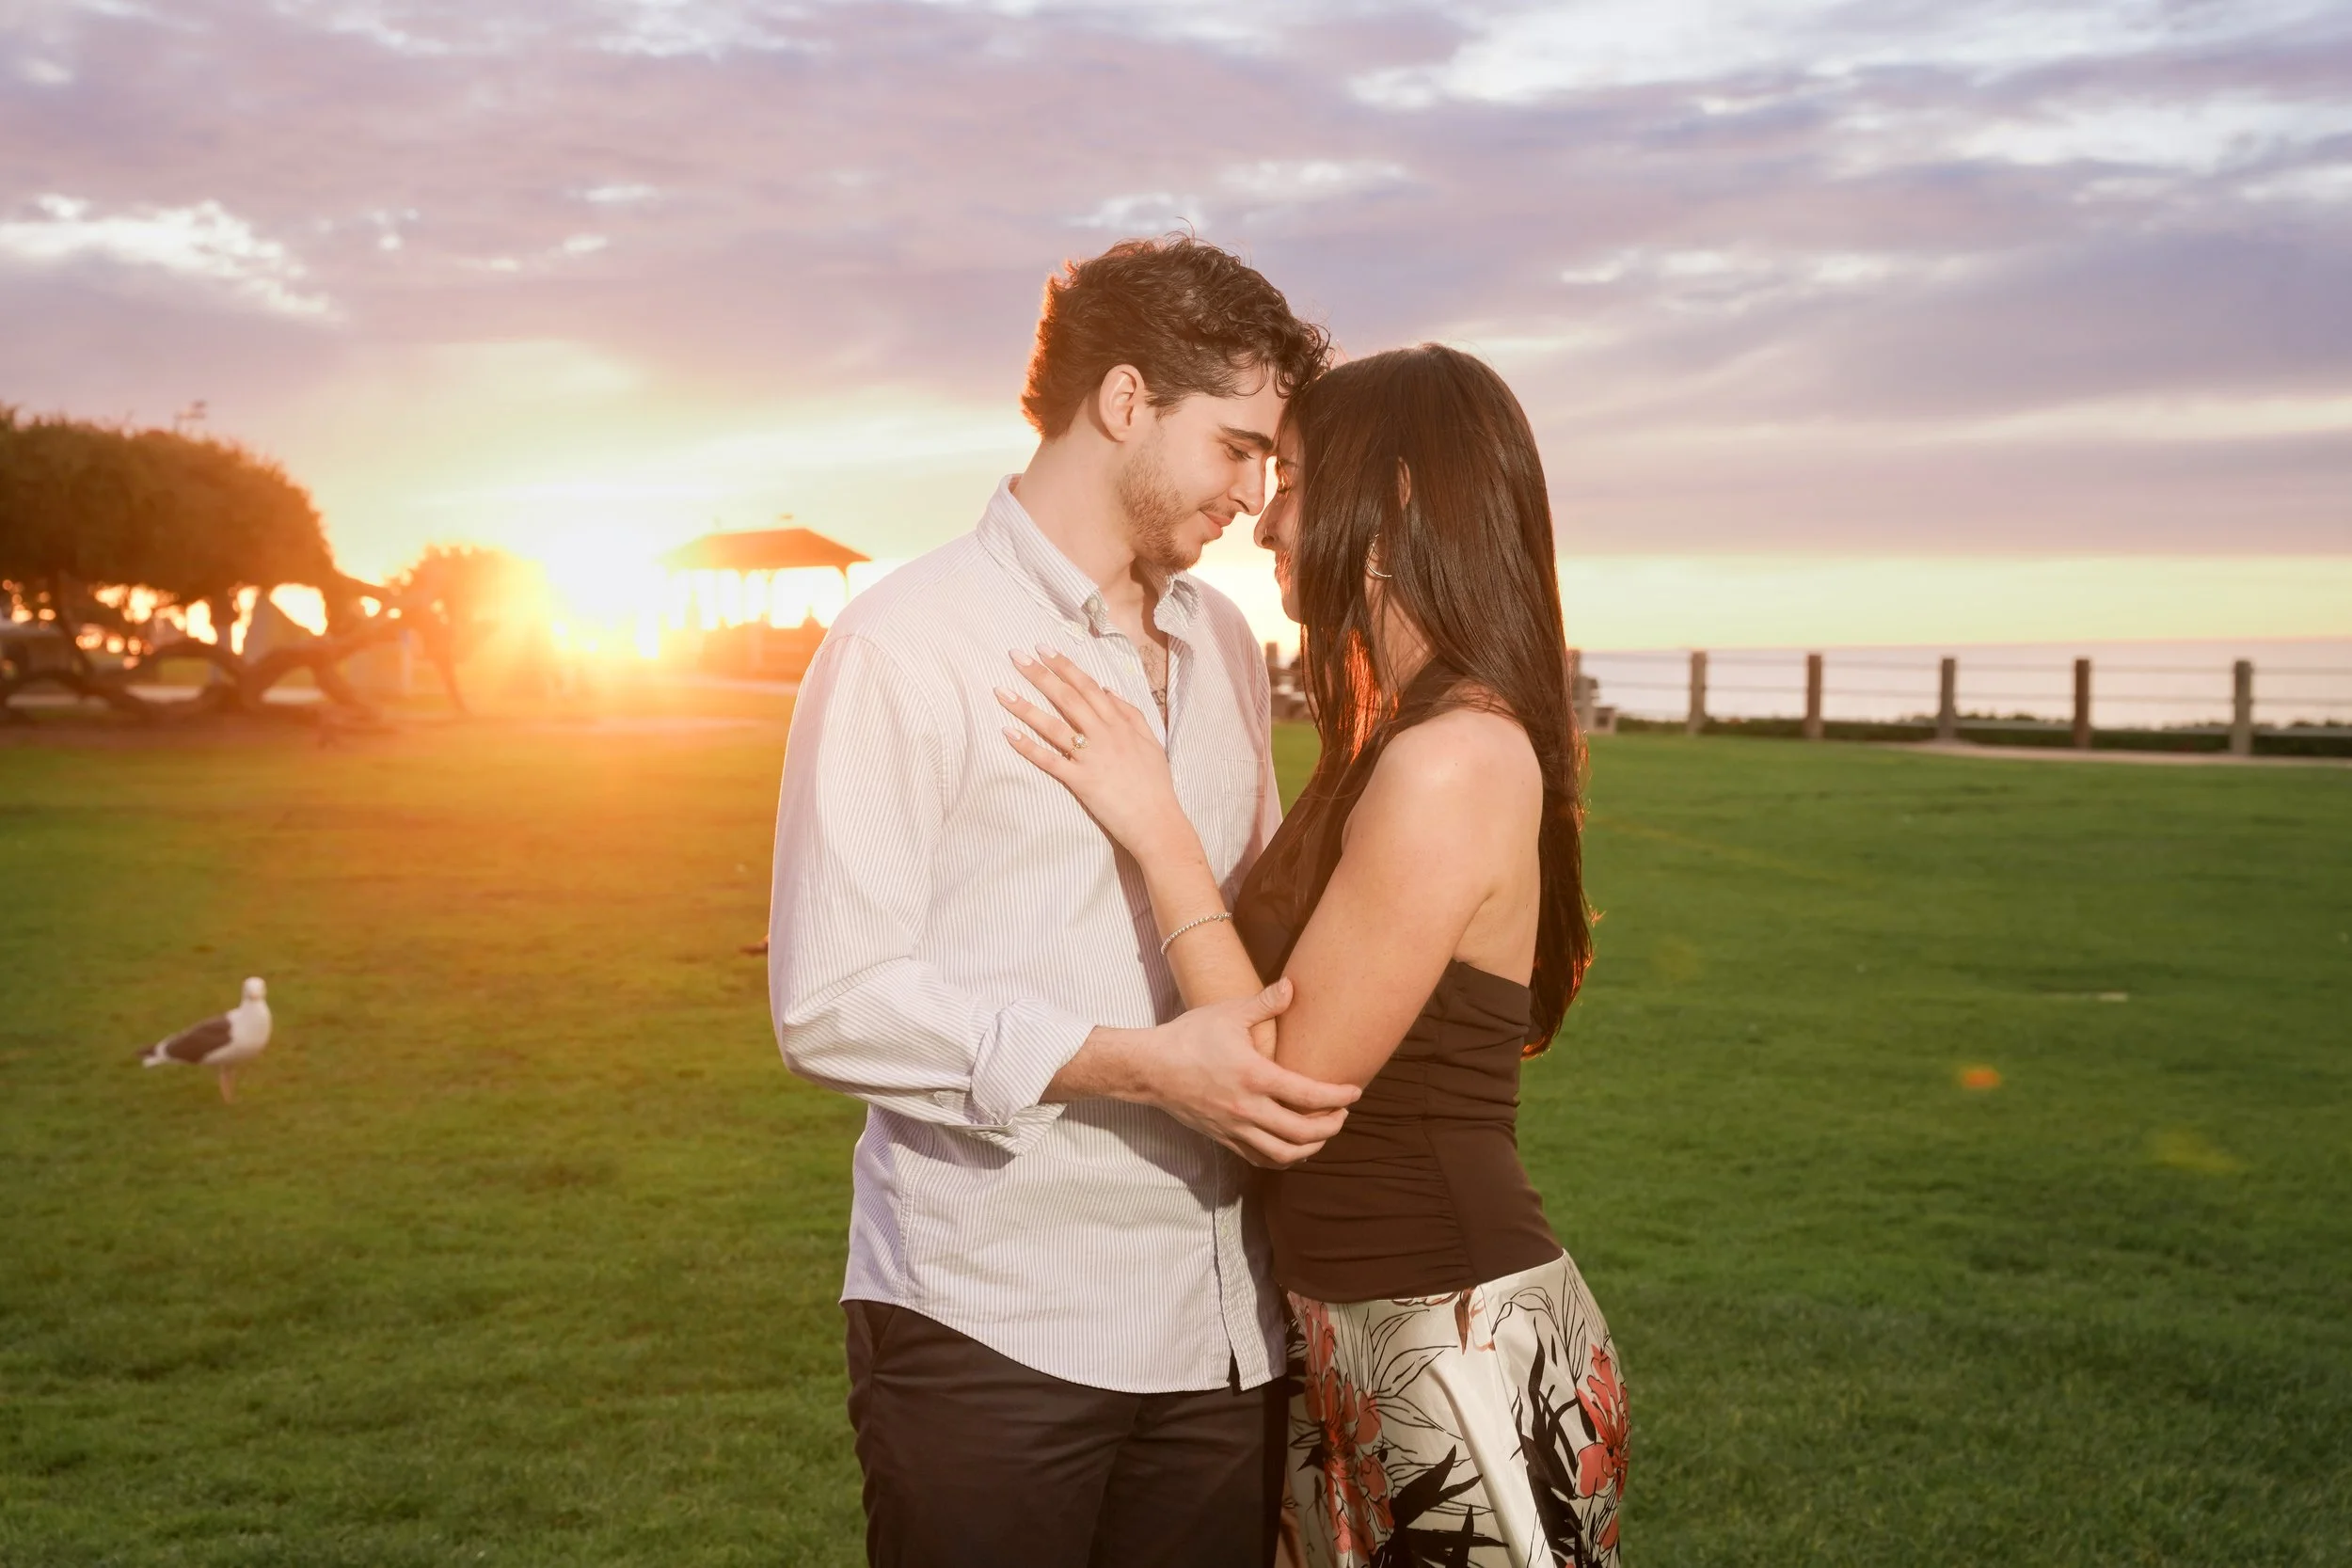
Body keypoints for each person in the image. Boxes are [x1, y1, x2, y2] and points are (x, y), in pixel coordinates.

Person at [767, 235, 1355, 1568]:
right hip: (993, 1320)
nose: (1258, 498)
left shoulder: (1217, 642)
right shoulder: (901, 642)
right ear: (1127, 400)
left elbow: (1245, 915)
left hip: (1224, 1329)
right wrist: (1140, 1067)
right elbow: (832, 1004)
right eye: (1238, 447)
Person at [999, 344, 1626, 1567]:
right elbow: (1258, 965)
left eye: (1289, 480)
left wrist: (1155, 818)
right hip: (1342, 1332)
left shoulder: (1453, 757)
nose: (1265, 520)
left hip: (1452, 1341)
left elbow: (1282, 1083)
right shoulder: (1389, 739)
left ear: (1383, 504)